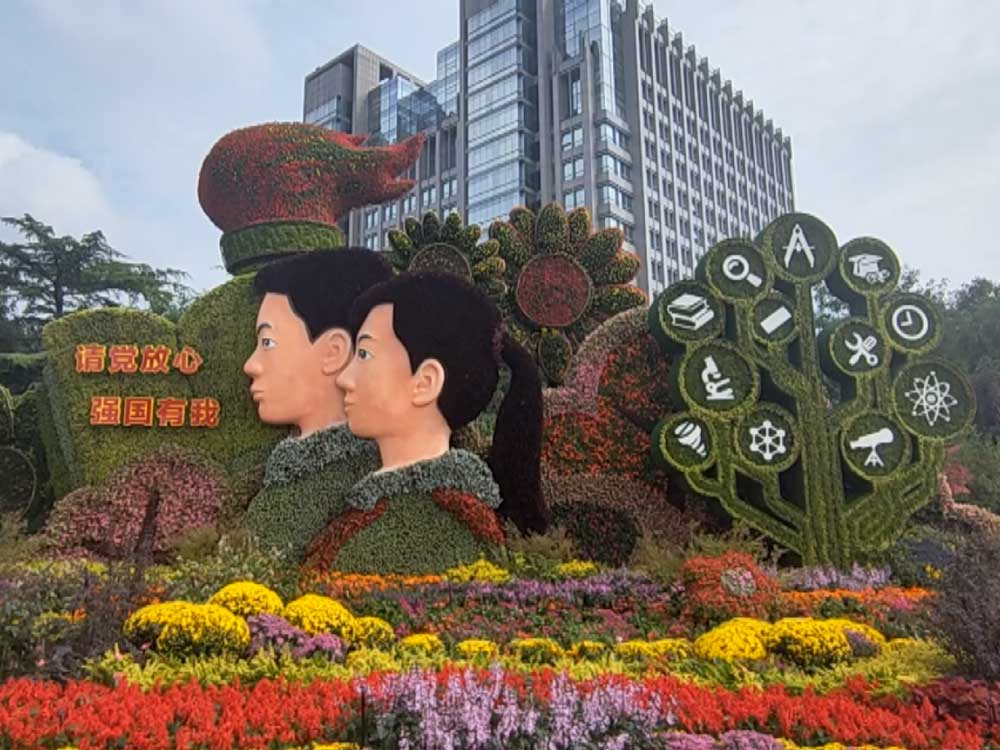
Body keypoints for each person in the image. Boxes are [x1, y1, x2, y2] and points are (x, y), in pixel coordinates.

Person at [305, 271, 548, 573]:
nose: (344, 378)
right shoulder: (379, 505)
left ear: (425, 382)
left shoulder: (439, 521)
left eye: (364, 354)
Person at [240, 248, 392, 560]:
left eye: (267, 342)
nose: (251, 365)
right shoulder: (280, 473)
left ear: (333, 352)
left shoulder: (365, 486)